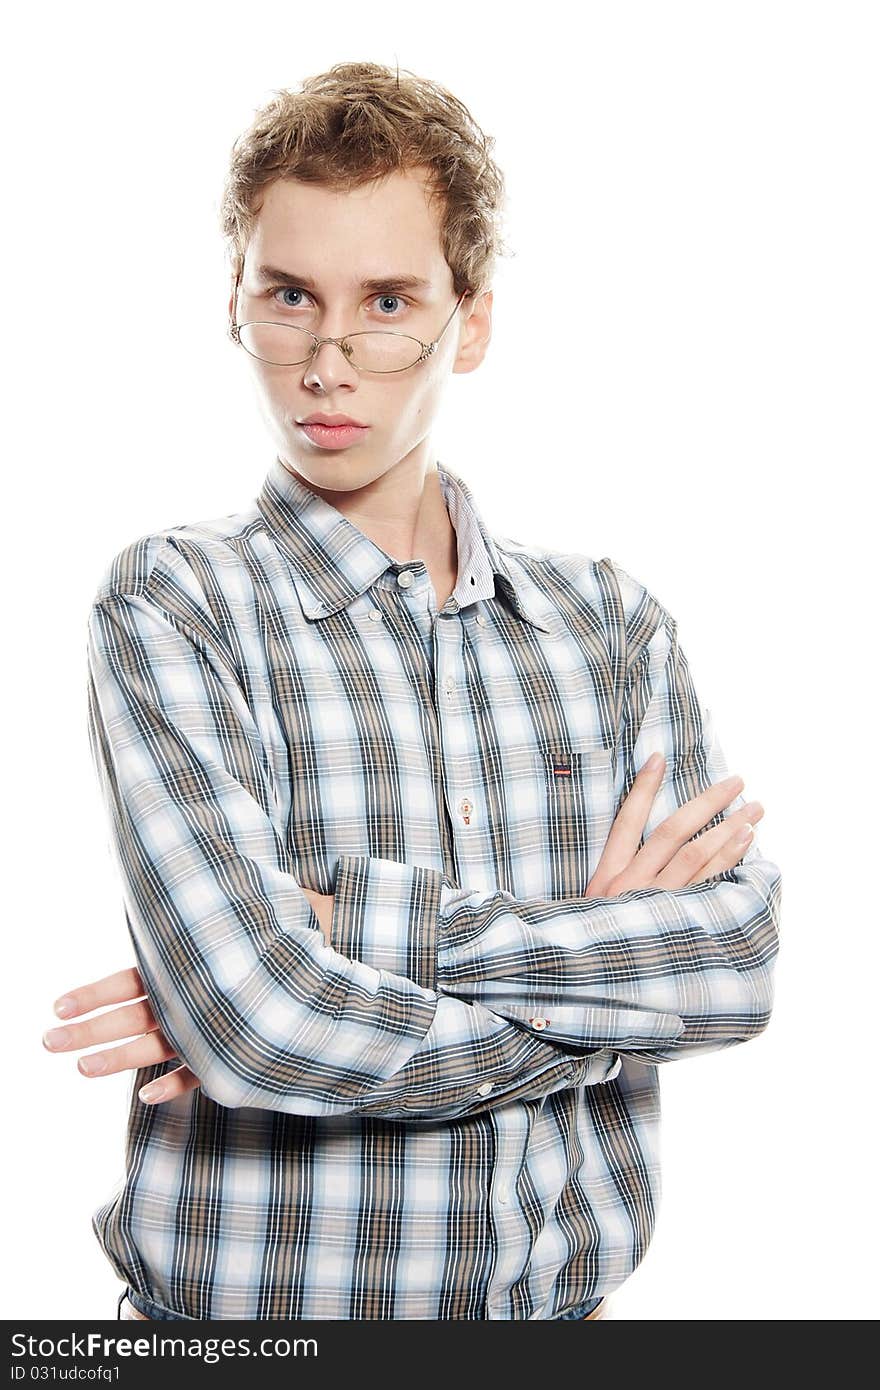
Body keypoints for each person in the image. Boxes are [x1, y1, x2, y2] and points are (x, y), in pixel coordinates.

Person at [43, 60, 781, 1322]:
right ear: (237, 299)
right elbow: (261, 1025)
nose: (329, 361)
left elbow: (731, 965)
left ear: (471, 319)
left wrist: (349, 932)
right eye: (290, 297)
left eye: (388, 301)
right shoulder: (176, 601)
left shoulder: (608, 626)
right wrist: (603, 991)